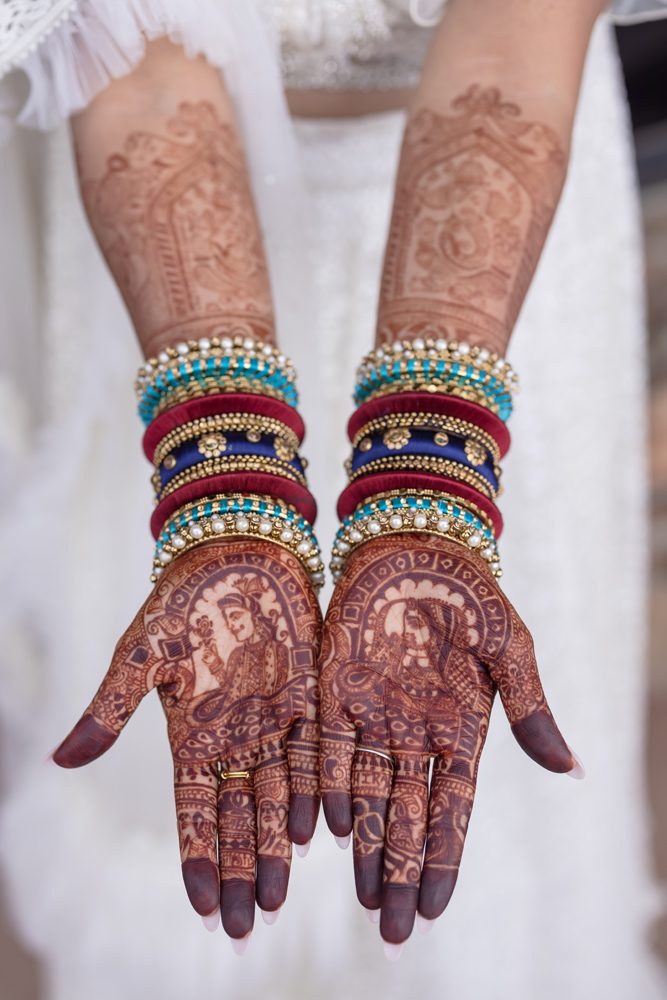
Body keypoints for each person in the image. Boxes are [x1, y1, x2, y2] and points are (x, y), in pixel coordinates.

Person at [0, 2, 665, 997]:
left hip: (502, 216)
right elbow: (128, 53)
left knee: (496, 824)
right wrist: (221, 481)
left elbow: (521, 24)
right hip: (152, 243)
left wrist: (431, 467)